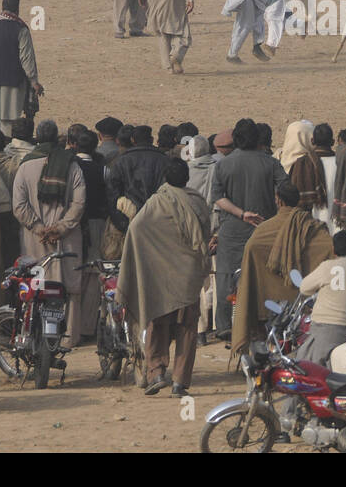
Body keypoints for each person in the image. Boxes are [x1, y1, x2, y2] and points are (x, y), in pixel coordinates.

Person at [117, 158, 211, 396]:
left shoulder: (156, 202)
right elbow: (205, 234)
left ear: (165, 179)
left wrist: (147, 257)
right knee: (188, 328)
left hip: (161, 277)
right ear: (186, 178)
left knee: (157, 324)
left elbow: (136, 228)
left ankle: (157, 372)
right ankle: (180, 381)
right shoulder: (198, 202)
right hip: (188, 275)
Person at [230, 180, 332, 355]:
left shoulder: (262, 231)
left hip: (268, 305)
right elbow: (328, 249)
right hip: (305, 304)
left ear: (278, 200)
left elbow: (252, 252)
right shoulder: (313, 227)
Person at [210, 119, 288, 338]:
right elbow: (286, 191)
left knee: (226, 276)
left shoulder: (223, 164)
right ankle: (268, 320)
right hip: (265, 230)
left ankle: (225, 326)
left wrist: (241, 213)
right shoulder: (270, 163)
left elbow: (217, 198)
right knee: (268, 276)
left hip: (232, 231)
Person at [12, 120, 86, 346]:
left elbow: (18, 205)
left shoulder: (25, 167)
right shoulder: (72, 165)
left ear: (37, 138)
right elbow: (79, 203)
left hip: (36, 238)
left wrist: (38, 228)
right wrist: (61, 228)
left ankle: (34, 338)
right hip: (67, 237)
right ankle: (68, 338)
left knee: (36, 288)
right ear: (57, 139)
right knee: (69, 288)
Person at [297, 228, 346, 364]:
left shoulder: (328, 266)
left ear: (333, 250)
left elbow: (304, 288)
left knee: (303, 368)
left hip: (327, 333)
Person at [0, 0, 43, 136]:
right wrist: (34, 81)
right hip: (14, 81)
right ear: (17, 8)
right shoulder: (20, 28)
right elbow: (27, 57)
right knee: (10, 120)